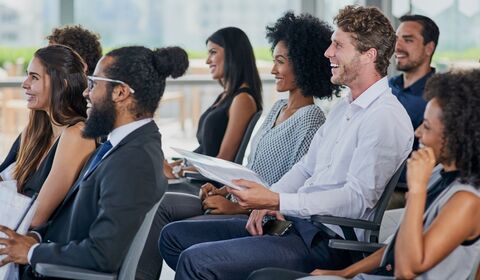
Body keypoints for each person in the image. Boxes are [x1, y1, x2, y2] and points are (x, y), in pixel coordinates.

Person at [158, 6, 413, 280]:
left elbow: (357, 200)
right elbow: (305, 168)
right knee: (173, 237)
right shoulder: (344, 108)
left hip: (327, 242)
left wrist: (278, 200)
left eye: (338, 45)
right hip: (296, 226)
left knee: (195, 261)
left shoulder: (385, 117)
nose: (328, 53)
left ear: (368, 55)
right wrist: (267, 203)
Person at [135, 13, 340, 280]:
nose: (273, 70)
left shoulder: (312, 118)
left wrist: (236, 208)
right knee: (170, 237)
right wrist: (224, 188)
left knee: (182, 244)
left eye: (280, 61)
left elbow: (292, 189)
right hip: (244, 201)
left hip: (266, 217)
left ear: (304, 64)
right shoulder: (278, 108)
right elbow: (255, 169)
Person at [248, 69, 480, 280]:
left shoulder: (466, 200)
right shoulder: (440, 178)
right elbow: (395, 248)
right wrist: (344, 273)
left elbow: (407, 269)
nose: (418, 132)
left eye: (427, 126)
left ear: (456, 135)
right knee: (264, 276)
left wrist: (416, 192)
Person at [0, 45, 189, 278]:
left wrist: (33, 252)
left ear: (120, 92)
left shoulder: (134, 160)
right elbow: (75, 221)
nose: (85, 93)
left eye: (94, 84)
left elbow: (103, 254)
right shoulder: (122, 145)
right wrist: (35, 238)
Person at [0, 45, 96, 228]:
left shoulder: (76, 135)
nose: (24, 83)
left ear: (62, 84)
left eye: (34, 77)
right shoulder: (37, 130)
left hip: (33, 241)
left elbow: (36, 217)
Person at [163, 27, 262, 179]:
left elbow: (223, 162)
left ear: (232, 55)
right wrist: (178, 165)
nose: (207, 60)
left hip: (208, 184)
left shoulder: (243, 100)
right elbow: (205, 151)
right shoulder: (226, 96)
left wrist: (179, 172)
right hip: (200, 176)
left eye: (213, 52)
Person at [389, 15, 440, 202]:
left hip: (403, 191)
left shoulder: (439, 96)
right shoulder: (386, 87)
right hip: (366, 182)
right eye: (397, 39)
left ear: (429, 48)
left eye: (408, 40)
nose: (397, 47)